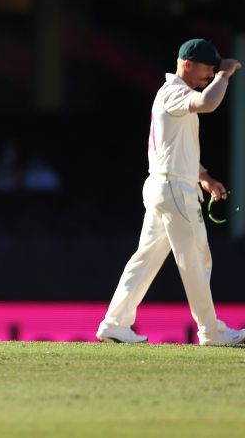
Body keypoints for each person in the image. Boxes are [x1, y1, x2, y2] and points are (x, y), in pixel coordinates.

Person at [97, 39, 244, 346]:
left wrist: (203, 177)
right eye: (206, 69)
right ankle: (211, 331)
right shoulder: (176, 92)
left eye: (213, 71)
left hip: (168, 185)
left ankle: (115, 323)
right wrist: (225, 76)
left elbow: (177, 147)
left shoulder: (174, 94)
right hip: (174, 189)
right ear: (187, 64)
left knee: (146, 260)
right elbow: (209, 104)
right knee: (196, 260)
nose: (209, 75)